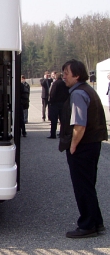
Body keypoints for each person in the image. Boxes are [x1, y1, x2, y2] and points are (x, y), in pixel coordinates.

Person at [59, 59, 108, 238]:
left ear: (77, 75)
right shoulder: (88, 90)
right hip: (93, 144)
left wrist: (73, 146)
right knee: (88, 184)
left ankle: (87, 225)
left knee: (82, 186)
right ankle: (96, 222)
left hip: (83, 146)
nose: (63, 76)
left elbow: (79, 125)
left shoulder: (78, 94)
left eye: (66, 73)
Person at [47, 72, 69, 139]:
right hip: (63, 103)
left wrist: (50, 101)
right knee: (62, 120)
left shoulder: (55, 83)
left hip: (55, 104)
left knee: (54, 120)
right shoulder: (65, 84)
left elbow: (52, 93)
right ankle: (62, 133)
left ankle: (53, 134)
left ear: (56, 77)